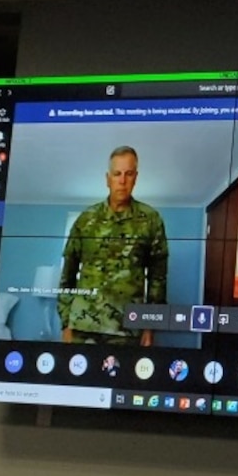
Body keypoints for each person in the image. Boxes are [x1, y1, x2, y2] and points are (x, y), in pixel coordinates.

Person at [59, 145, 168, 346]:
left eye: (129, 174)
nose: (122, 181)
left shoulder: (151, 220)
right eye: (117, 174)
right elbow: (68, 274)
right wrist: (66, 322)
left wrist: (150, 327)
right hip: (82, 328)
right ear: (107, 178)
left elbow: (157, 280)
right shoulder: (86, 219)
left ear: (136, 177)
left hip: (127, 330)